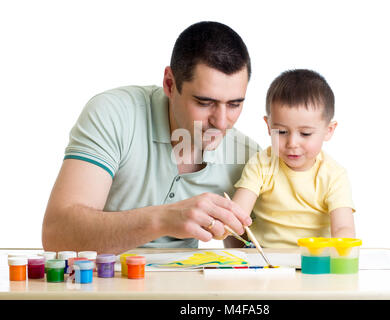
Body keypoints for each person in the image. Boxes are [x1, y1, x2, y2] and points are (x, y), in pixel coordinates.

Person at [42, 21, 259, 254]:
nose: (222, 122)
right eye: (205, 103)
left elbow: (252, 257)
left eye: (235, 104)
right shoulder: (114, 114)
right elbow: (57, 234)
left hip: (183, 288)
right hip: (99, 284)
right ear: (169, 84)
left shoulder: (247, 156)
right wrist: (163, 219)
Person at [224, 69, 356, 248]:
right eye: (282, 132)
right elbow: (238, 214)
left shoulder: (334, 175)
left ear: (329, 130)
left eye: (305, 133)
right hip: (264, 261)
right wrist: (228, 221)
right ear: (269, 126)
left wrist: (341, 255)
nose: (292, 143)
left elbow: (343, 228)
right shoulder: (262, 164)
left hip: (313, 261)